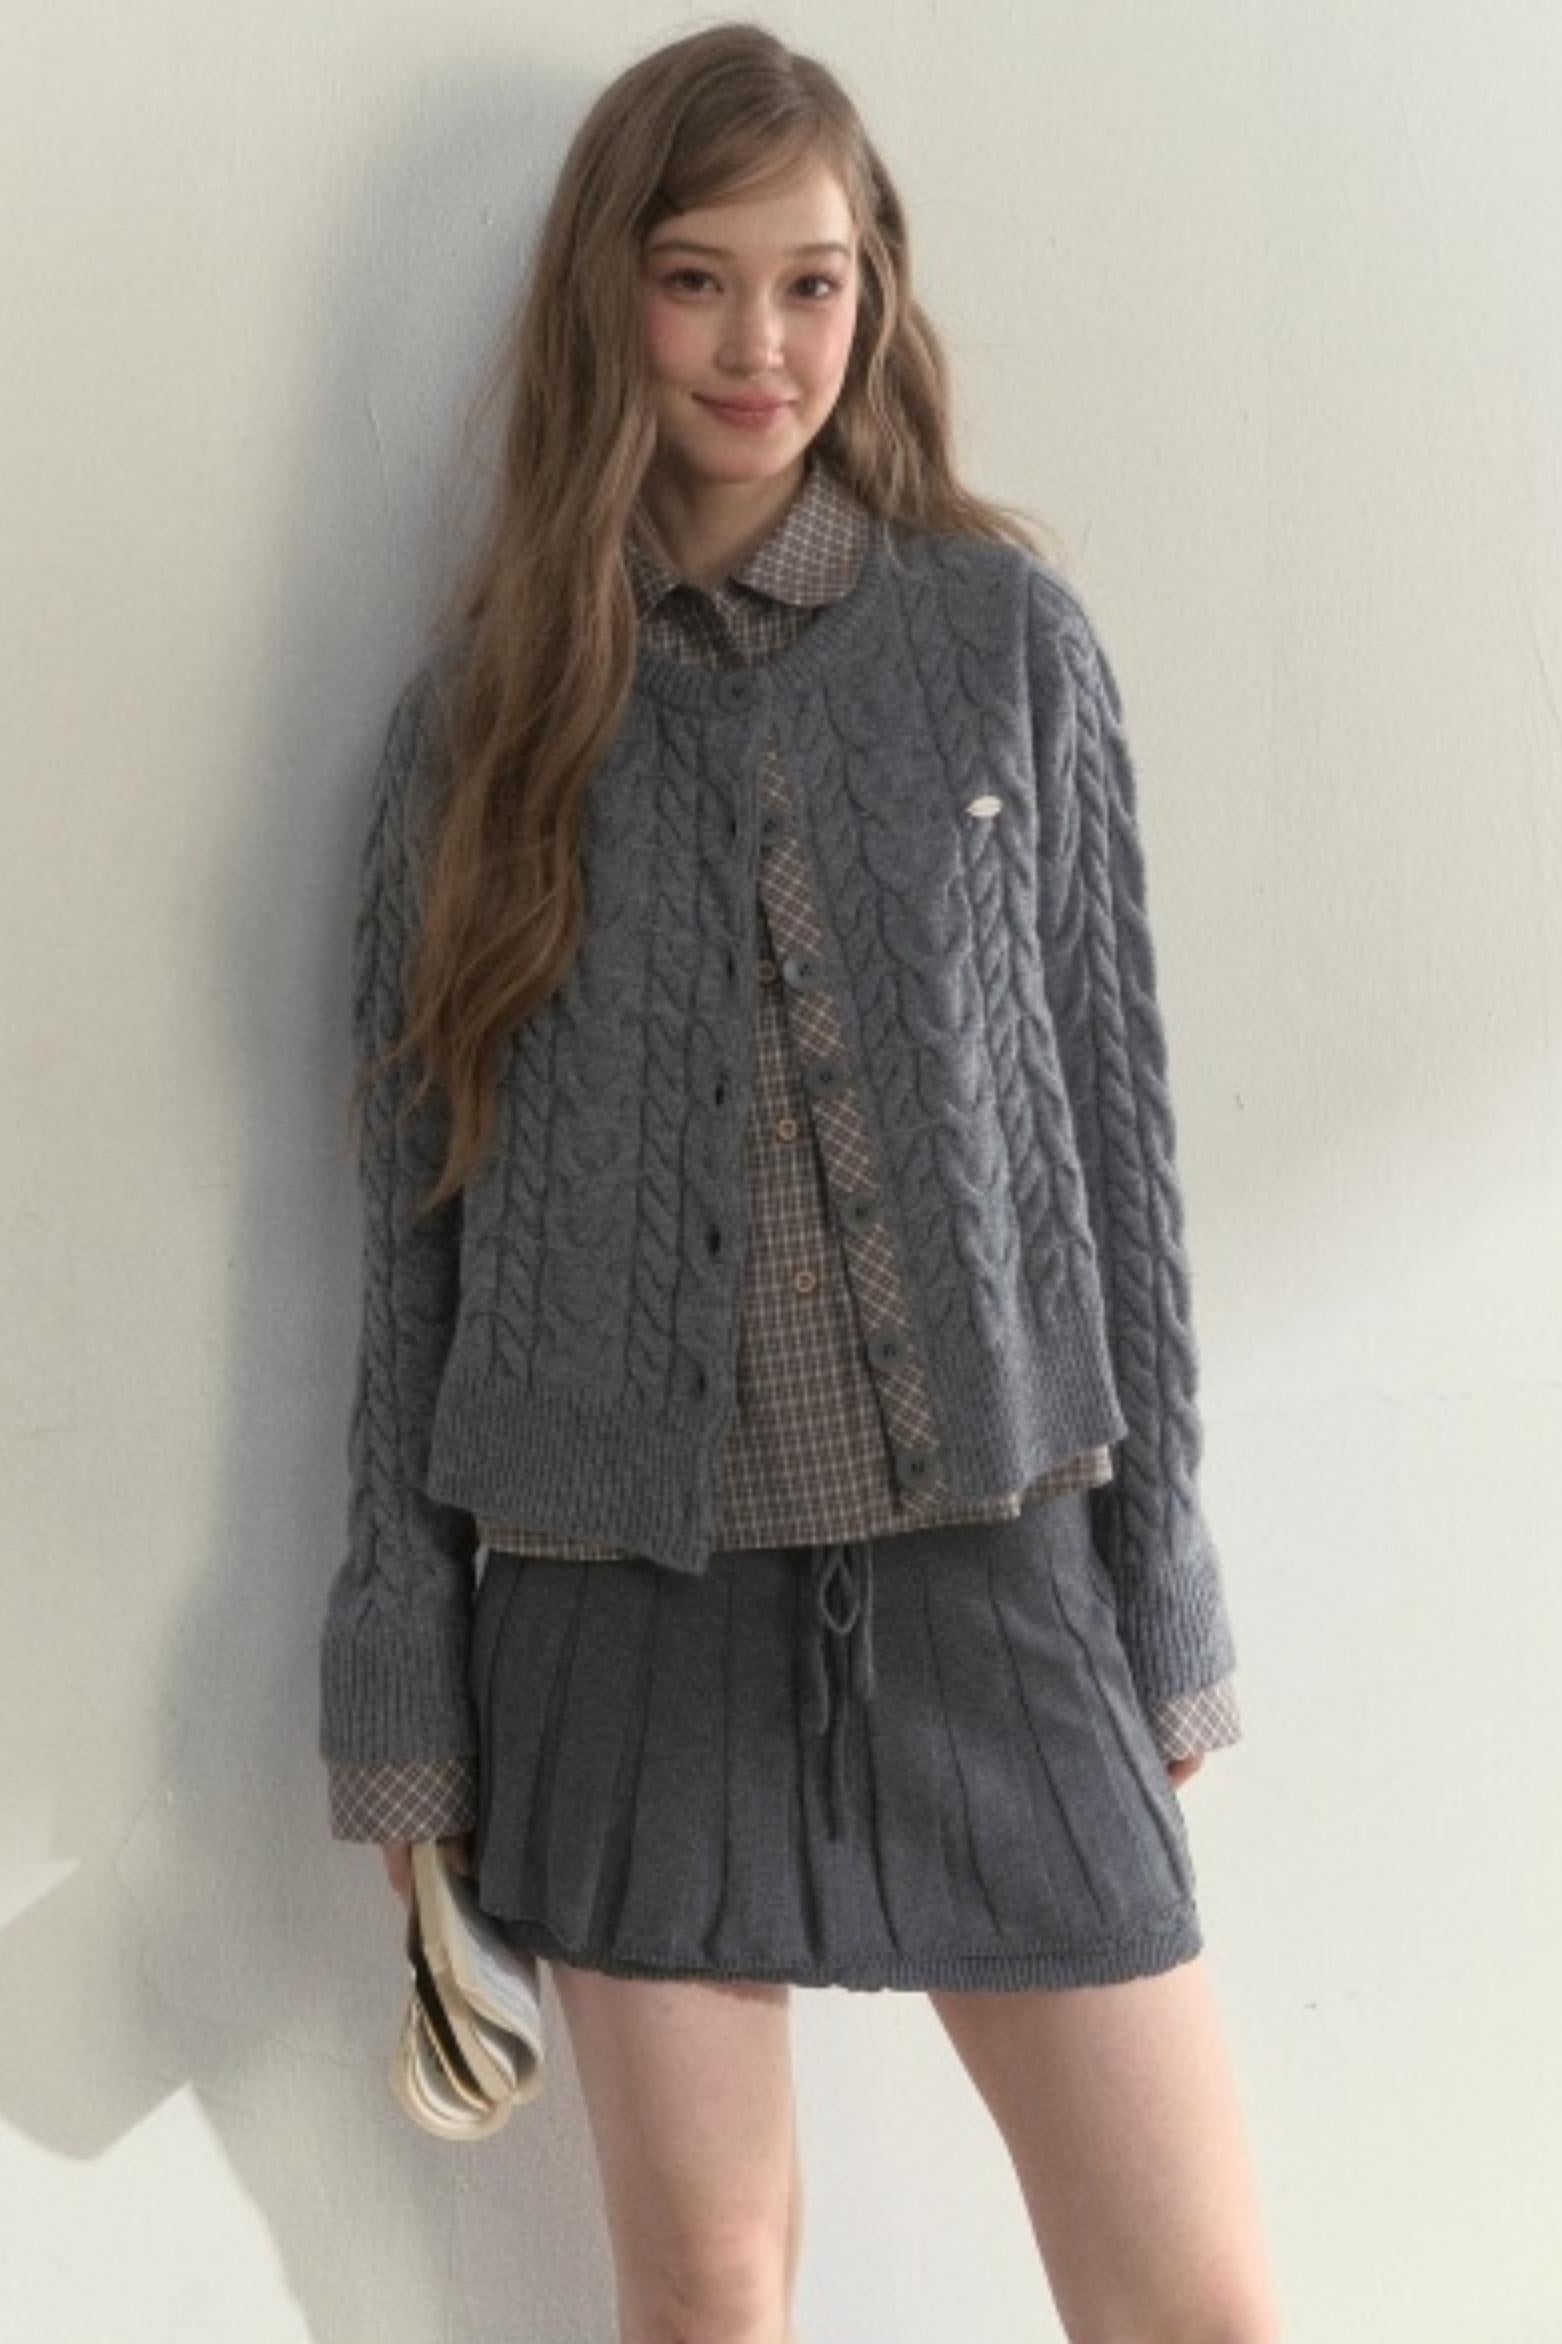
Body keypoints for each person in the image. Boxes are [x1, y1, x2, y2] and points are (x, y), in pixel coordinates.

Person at [317, 21, 1280, 2341]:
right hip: (615, 1620)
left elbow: (1113, 1150)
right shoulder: (487, 719)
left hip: (991, 1592)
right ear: (609, 298)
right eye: (696, 278)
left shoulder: (1002, 648)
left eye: (810, 281)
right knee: (708, 2298)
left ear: (873, 296)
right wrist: (402, 1686)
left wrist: (1158, 1589)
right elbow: (416, 1237)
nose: (759, 343)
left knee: (1195, 2305)